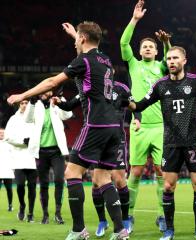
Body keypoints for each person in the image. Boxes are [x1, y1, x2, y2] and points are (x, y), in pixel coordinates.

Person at [8, 21, 128, 240]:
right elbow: (89, 48)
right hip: (114, 127)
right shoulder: (106, 60)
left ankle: (79, 229)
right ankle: (121, 231)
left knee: (72, 173)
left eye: (77, 39)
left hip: (95, 124)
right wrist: (75, 34)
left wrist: (22, 96)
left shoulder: (83, 60)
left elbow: (53, 81)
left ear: (83, 39)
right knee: (103, 179)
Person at [128, 46, 196, 240]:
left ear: (184, 61)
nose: (171, 61)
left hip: (193, 142)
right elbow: (139, 105)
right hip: (171, 144)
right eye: (169, 59)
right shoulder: (160, 85)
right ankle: (169, 230)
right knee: (167, 187)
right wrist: (127, 101)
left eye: (175, 58)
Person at [53, 78, 136, 236]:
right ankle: (106, 223)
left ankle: (123, 221)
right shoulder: (91, 87)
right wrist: (59, 102)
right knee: (98, 181)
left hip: (112, 136)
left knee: (117, 179)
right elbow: (72, 103)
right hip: (101, 136)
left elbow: (134, 106)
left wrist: (137, 118)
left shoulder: (121, 88)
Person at [120, 0, 171, 230]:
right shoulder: (133, 65)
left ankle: (161, 215)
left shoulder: (161, 67)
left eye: (152, 46)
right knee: (137, 172)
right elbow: (123, 42)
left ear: (157, 51)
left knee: (161, 171)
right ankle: (128, 215)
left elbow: (172, 62)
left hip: (160, 126)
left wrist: (167, 42)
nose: (148, 48)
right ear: (139, 52)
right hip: (139, 126)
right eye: (145, 47)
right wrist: (134, 20)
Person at [24, 91, 73, 224]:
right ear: (40, 94)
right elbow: (27, 119)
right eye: (44, 91)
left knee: (58, 179)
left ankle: (58, 213)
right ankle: (45, 214)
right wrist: (32, 103)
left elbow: (68, 115)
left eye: (49, 90)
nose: (46, 93)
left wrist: (61, 100)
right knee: (44, 183)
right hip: (41, 152)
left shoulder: (56, 103)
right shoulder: (36, 105)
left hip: (56, 151)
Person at [3, 100, 37, 222]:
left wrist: (32, 142)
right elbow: (7, 137)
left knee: (32, 187)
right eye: (22, 103)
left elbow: (39, 134)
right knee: (20, 186)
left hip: (33, 157)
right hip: (18, 158)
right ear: (19, 105)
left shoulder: (34, 118)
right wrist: (22, 142)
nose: (24, 105)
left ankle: (31, 213)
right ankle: (22, 206)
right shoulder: (13, 119)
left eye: (26, 103)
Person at [0, 127, 14, 212]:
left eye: (2, 133)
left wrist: (13, 168)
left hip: (8, 170)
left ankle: (10, 205)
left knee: (9, 189)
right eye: (0, 133)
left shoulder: (10, 144)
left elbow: (13, 156)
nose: (1, 134)